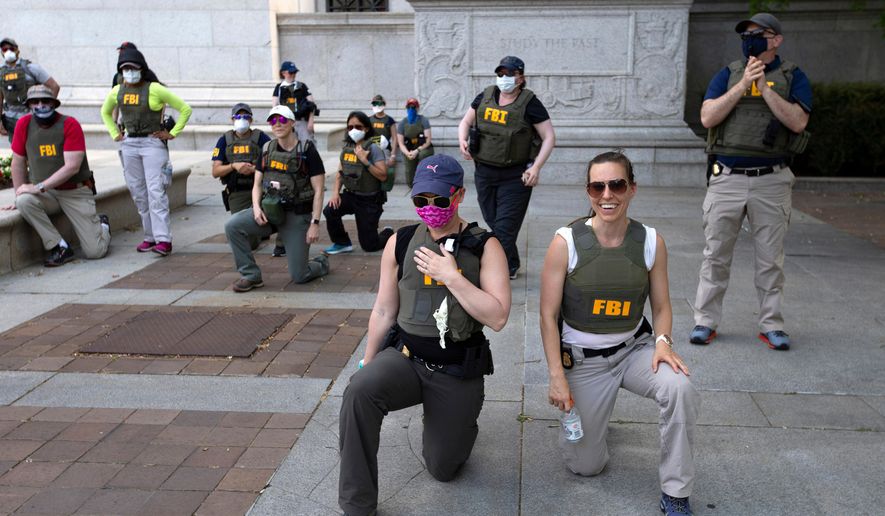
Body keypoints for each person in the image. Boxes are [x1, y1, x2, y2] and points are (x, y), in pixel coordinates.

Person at [338, 154, 511, 516]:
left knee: (443, 468)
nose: (430, 208)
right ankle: (357, 506)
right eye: (421, 200)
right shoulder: (400, 241)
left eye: (440, 200)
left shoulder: (485, 246)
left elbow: (497, 317)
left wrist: (453, 277)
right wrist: (368, 362)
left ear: (459, 195)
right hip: (406, 359)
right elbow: (385, 310)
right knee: (359, 391)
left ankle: (454, 424)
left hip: (455, 369)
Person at [540, 151, 699, 516]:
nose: (607, 194)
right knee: (586, 466)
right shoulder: (565, 243)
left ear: (631, 189)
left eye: (617, 185)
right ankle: (590, 421)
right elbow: (548, 316)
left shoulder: (651, 242)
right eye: (598, 186)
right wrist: (556, 376)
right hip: (583, 360)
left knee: (681, 388)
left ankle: (675, 492)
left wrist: (662, 343)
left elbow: (661, 306)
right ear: (588, 191)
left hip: (634, 350)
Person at [691, 13, 811, 351]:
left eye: (760, 34)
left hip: (771, 179)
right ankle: (705, 321)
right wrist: (743, 85)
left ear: (776, 40)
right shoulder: (728, 74)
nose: (752, 39)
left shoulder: (793, 76)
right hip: (727, 177)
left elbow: (798, 122)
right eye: (747, 35)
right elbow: (707, 116)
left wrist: (764, 89)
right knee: (715, 254)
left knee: (770, 258)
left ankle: (772, 324)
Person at [458, 55, 556, 279]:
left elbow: (549, 137)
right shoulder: (485, 95)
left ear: (521, 78)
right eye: (501, 74)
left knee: (504, 228)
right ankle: (511, 262)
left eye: (510, 74)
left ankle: (493, 271)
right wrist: (463, 140)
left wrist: (536, 167)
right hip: (484, 172)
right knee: (492, 219)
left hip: (515, 176)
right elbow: (466, 121)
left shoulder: (530, 103)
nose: (504, 78)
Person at [1, 85, 110, 267]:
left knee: (95, 252)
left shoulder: (70, 124)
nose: (41, 105)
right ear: (29, 105)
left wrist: (38, 187)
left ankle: (103, 225)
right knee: (24, 201)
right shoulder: (24, 124)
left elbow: (72, 167)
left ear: (54, 103)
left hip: (75, 192)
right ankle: (59, 246)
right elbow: (18, 162)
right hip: (47, 194)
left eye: (46, 101)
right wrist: (19, 191)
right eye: (35, 102)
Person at [224, 105, 329, 292]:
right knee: (233, 225)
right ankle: (251, 275)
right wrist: (256, 208)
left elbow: (319, 190)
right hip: (270, 212)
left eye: (282, 120)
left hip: (297, 215)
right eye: (273, 121)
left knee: (300, 276)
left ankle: (321, 262)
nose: (277, 124)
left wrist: (315, 223)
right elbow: (257, 184)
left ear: (292, 123)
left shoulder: (307, 151)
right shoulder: (266, 149)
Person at [100, 47, 192, 256]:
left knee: (156, 191)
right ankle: (149, 236)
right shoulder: (117, 91)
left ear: (141, 68)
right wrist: (115, 132)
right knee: (138, 192)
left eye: (132, 68)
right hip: (130, 143)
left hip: (152, 143)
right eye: (125, 69)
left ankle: (163, 239)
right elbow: (105, 112)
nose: (129, 72)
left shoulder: (155, 89)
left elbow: (185, 109)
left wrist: (172, 133)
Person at [323, 111, 393, 255]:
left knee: (369, 246)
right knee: (330, 210)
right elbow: (340, 173)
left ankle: (388, 233)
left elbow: (383, 176)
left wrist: (365, 161)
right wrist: (335, 193)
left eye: (358, 127)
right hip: (351, 195)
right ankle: (342, 242)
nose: (354, 130)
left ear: (366, 128)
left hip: (369, 200)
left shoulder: (373, 148)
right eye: (350, 127)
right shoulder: (348, 148)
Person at [0, 37, 60, 143]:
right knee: (17, 150)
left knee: (34, 148)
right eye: (5, 49)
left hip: (31, 116)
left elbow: (54, 86)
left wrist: (46, 110)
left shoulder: (31, 68)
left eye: (11, 48)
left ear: (17, 50)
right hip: (10, 119)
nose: (8, 51)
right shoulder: (1, 73)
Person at [272, 61, 316, 142]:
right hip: (286, 122)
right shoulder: (279, 87)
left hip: (301, 121)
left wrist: (311, 121)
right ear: (283, 73)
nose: (293, 74)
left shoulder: (301, 86)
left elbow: (312, 105)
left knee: (307, 144)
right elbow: (275, 107)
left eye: (294, 72)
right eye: (291, 72)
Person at [396, 97, 433, 188]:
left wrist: (417, 151)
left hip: (423, 148)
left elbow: (428, 141)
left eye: (414, 107)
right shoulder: (402, 123)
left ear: (417, 108)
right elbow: (400, 143)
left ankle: (424, 182)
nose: (411, 109)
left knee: (423, 156)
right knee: (410, 175)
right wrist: (407, 153)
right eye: (409, 107)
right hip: (409, 149)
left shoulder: (423, 120)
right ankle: (413, 184)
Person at [368, 94, 399, 190]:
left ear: (384, 104)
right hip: (372, 149)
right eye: (375, 103)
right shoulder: (369, 120)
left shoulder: (389, 120)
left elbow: (394, 138)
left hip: (385, 150)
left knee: (384, 173)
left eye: (379, 103)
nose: (377, 105)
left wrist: (393, 155)